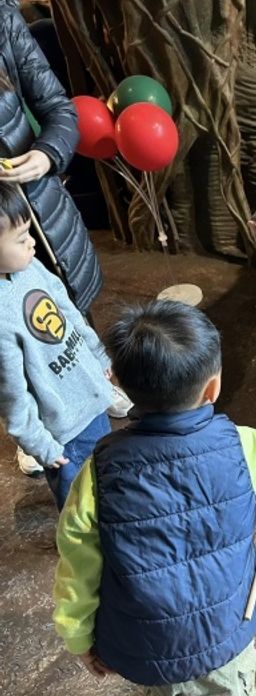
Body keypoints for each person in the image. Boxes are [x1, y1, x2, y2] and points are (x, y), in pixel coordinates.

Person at [53, 300, 256, 696]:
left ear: (117, 383)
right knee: (234, 682)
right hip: (225, 630)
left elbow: (77, 571)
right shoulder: (242, 447)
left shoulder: (96, 474)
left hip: (147, 645)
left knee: (165, 687)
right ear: (212, 389)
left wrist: (79, 639)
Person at [0, 5, 129, 477]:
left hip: (36, 207)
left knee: (63, 304)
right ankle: (37, 427)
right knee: (13, 339)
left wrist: (46, 154)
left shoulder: (3, 19)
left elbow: (58, 108)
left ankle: (93, 387)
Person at [0, 182, 114, 510]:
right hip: (62, 435)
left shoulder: (31, 266)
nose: (32, 242)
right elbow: (11, 397)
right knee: (79, 506)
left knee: (107, 482)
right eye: (21, 239)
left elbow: (70, 314)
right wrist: (41, 446)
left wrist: (97, 355)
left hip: (92, 400)